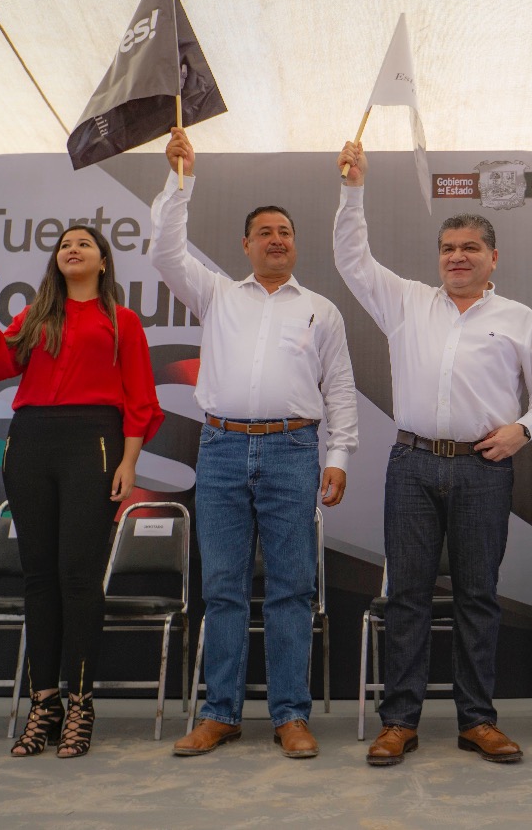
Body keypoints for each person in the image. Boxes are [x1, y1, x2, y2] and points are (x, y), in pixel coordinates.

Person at [335, 142, 532, 766]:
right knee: (407, 595)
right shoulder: (406, 302)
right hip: (411, 466)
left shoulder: (518, 318)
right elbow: (351, 258)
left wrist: (523, 430)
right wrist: (353, 189)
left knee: (477, 596)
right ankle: (399, 722)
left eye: (469, 248)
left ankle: (477, 721)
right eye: (448, 248)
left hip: (483, 469)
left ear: (493, 257)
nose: (457, 257)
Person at [156, 128, 358, 761]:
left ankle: (290, 715)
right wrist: (180, 180)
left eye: (285, 232)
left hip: (293, 452)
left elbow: (340, 389)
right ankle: (219, 713)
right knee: (222, 586)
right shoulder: (216, 293)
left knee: (292, 587)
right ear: (245, 245)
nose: (276, 239)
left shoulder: (321, 310)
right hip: (220, 449)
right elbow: (165, 251)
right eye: (264, 232)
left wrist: (339, 456)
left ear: (295, 244)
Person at [0, 224, 163, 758]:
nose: (72, 249)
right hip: (30, 440)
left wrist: (128, 461)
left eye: (83, 244)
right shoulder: (35, 316)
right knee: (39, 577)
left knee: (78, 575)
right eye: (64, 244)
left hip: (93, 442)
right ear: (56, 260)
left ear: (103, 261)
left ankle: (81, 704)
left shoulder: (121, 320)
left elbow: (141, 398)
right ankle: (44, 703)